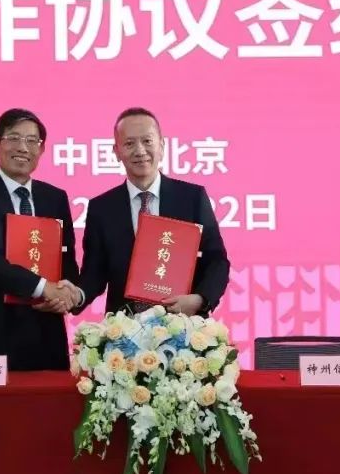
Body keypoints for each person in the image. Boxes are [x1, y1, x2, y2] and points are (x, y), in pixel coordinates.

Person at [0, 108, 82, 370]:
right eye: (14, 138)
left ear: (41, 150)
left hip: (45, 335)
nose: (23, 147)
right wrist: (43, 287)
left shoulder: (55, 198)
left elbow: (66, 259)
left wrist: (67, 294)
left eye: (32, 140)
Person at [71, 107, 230, 317]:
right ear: (116, 151)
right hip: (123, 329)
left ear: (162, 146)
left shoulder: (192, 198)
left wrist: (200, 299)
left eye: (147, 141)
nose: (140, 151)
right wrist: (76, 295)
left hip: (184, 326)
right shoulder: (102, 208)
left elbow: (217, 260)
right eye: (129, 143)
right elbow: (95, 273)